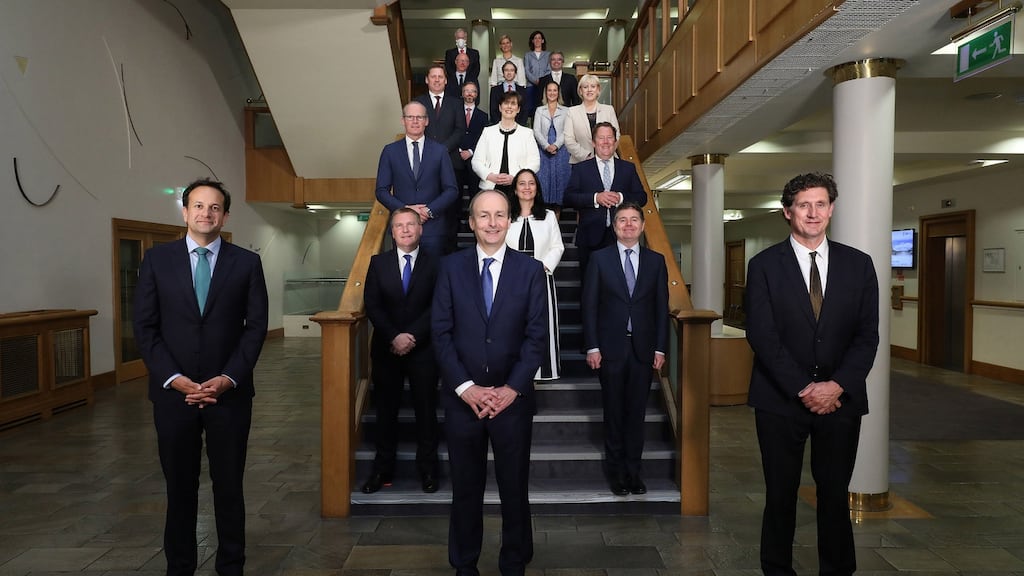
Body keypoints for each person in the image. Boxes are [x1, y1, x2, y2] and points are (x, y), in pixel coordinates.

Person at [745, 172, 879, 576]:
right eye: (804, 205)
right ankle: (777, 570)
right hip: (780, 400)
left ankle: (837, 570)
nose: (813, 212)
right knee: (780, 494)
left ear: (832, 209)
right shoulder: (764, 265)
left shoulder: (859, 265)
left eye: (821, 204)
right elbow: (762, 336)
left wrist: (836, 386)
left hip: (841, 401)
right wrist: (805, 387)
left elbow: (867, 336)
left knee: (835, 494)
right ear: (788, 212)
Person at [133, 178, 269, 576]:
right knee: (179, 489)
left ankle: (231, 566)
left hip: (229, 395)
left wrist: (229, 377)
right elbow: (145, 328)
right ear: (185, 211)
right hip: (174, 397)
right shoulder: (158, 261)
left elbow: (255, 327)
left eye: (214, 208)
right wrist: (173, 378)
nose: (205, 214)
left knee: (229, 488)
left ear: (225, 215)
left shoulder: (246, 262)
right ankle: (180, 567)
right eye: (198, 206)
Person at [432, 189, 548, 576]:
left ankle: (514, 561)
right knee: (465, 487)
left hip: (511, 400)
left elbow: (536, 338)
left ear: (510, 220)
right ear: (471, 222)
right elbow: (441, 333)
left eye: (499, 215)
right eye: (484, 215)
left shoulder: (531, 271)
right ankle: (464, 563)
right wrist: (466, 387)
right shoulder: (450, 268)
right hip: (462, 399)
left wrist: (511, 389)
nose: (492, 223)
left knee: (514, 487)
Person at [582, 202, 667, 496]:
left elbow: (660, 308)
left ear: (643, 226)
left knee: (636, 415)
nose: (628, 225)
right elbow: (589, 306)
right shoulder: (599, 259)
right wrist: (592, 346)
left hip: (643, 350)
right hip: (610, 349)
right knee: (614, 413)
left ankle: (634, 472)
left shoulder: (656, 261)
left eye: (634, 220)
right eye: (622, 220)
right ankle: (616, 472)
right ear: (614, 226)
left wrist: (660, 348)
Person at [361, 208, 441, 495]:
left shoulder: (436, 264)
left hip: (424, 351)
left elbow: (439, 305)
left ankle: (428, 469)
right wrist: (394, 335)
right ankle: (382, 470)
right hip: (386, 350)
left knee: (426, 412)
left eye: (411, 225)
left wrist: (413, 336)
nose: (406, 230)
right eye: (399, 226)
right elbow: (373, 304)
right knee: (385, 414)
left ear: (420, 230)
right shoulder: (377, 263)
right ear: (392, 232)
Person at [375, 101, 460, 256]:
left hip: (433, 228)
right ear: (403, 120)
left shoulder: (439, 151)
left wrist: (429, 210)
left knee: (433, 277)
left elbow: (451, 190)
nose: (415, 121)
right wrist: (405, 210)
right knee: (405, 277)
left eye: (419, 117)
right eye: (410, 117)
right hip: (402, 228)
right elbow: (381, 191)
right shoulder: (390, 151)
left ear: (426, 121)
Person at [563, 122, 646, 278]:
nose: (606, 142)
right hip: (589, 237)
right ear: (594, 142)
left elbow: (642, 197)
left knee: (619, 285)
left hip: (621, 237)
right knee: (589, 288)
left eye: (610, 138)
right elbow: (568, 198)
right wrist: (596, 197)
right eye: (601, 138)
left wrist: (620, 197)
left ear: (615, 142)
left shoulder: (628, 168)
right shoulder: (581, 169)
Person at [506, 169, 564, 380]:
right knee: (512, 325)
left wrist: (544, 267)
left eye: (531, 183)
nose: (527, 187)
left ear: (537, 188)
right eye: (522, 183)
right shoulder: (506, 215)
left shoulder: (548, 216)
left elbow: (558, 247)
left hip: (541, 278)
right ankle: (513, 371)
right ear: (515, 188)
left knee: (542, 326)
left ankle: (544, 371)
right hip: (510, 280)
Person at [472, 91, 540, 200]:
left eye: (513, 104)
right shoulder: (488, 132)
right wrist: (491, 176)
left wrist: (516, 178)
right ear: (500, 107)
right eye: (506, 103)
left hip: (517, 188)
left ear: (518, 109)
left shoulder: (527, 133)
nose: (509, 107)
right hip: (491, 187)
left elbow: (535, 162)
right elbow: (476, 161)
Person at [415, 64, 467, 168]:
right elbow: (414, 128)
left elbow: (460, 130)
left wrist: (443, 148)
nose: (437, 80)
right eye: (433, 76)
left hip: (451, 160)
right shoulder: (417, 102)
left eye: (440, 77)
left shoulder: (456, 103)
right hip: (424, 159)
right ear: (426, 80)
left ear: (446, 80)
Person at [563, 74, 619, 164]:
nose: (589, 90)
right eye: (585, 87)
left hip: (607, 160)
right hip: (581, 162)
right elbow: (568, 139)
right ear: (580, 91)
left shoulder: (609, 110)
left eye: (593, 86)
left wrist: (605, 153)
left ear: (598, 90)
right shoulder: (572, 112)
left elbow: (616, 135)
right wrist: (587, 156)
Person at [532, 80, 570, 212]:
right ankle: (544, 217)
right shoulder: (539, 110)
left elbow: (567, 131)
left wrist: (556, 145)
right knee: (544, 182)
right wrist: (547, 146)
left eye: (555, 90)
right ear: (545, 93)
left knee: (560, 182)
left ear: (558, 93)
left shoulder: (566, 110)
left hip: (561, 150)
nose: (552, 93)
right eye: (549, 90)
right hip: (544, 150)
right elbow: (536, 130)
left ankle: (558, 220)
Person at [488, 61, 529, 126]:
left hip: (518, 127)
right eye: (506, 70)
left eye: (512, 70)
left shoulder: (522, 90)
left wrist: (518, 126)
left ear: (515, 73)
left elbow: (525, 110)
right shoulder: (495, 90)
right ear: (503, 73)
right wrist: (500, 126)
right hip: (499, 127)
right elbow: (493, 110)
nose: (509, 73)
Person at [522, 30, 550, 122]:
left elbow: (549, 69)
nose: (537, 40)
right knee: (531, 110)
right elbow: (526, 70)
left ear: (542, 41)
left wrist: (541, 81)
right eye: (535, 38)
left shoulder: (548, 55)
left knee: (544, 110)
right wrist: (535, 80)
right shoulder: (528, 55)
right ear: (532, 41)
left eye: (539, 38)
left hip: (544, 86)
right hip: (531, 86)